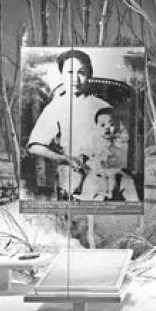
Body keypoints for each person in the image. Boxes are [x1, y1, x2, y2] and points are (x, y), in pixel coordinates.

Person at [26, 49, 112, 199]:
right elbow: (34, 146)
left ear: (90, 75)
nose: (75, 79)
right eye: (70, 72)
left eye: (82, 72)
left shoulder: (103, 106)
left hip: (105, 170)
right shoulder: (56, 107)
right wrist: (63, 158)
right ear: (62, 74)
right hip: (72, 171)